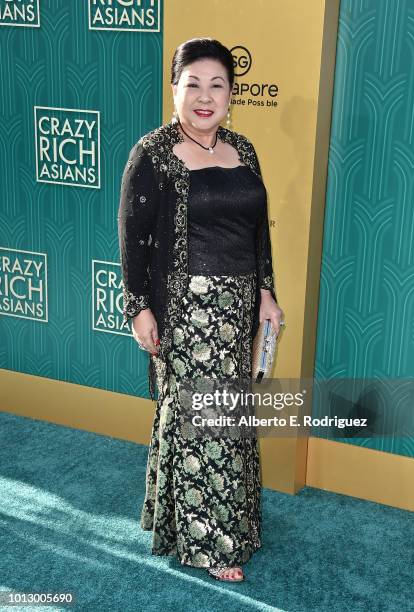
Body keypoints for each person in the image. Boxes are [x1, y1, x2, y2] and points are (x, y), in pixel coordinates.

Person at [117, 37, 284, 582]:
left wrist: (266, 292)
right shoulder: (154, 154)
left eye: (217, 85)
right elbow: (133, 239)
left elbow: (259, 234)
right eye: (193, 84)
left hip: (237, 311)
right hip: (186, 313)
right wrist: (139, 308)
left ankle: (216, 520)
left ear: (232, 94)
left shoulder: (244, 149)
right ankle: (207, 544)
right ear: (175, 89)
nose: (204, 97)